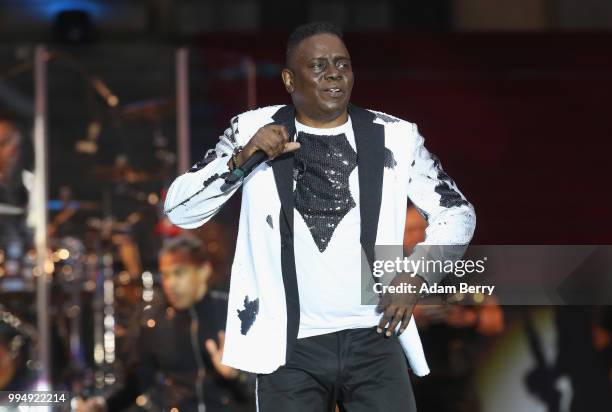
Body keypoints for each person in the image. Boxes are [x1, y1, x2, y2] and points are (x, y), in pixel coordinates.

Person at [164, 22, 476, 411]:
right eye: (319, 66)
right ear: (290, 79)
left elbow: (457, 212)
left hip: (375, 334)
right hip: (288, 346)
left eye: (342, 64)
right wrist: (240, 159)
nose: (334, 74)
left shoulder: (394, 136)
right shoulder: (250, 130)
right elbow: (179, 210)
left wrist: (417, 273)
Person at [77, 235, 254, 412]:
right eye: (166, 275)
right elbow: (139, 381)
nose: (170, 283)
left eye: (179, 273)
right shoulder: (155, 324)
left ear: (204, 271)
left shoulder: (236, 314)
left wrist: (237, 375)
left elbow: (270, 381)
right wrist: (103, 405)